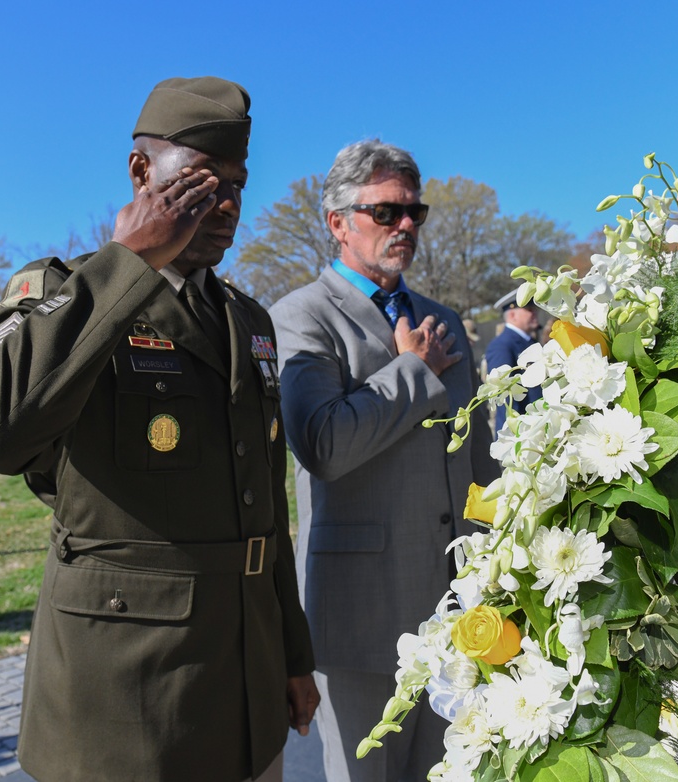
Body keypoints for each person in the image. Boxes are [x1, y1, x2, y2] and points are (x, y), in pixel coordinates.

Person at [0, 76, 318, 782]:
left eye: (238, 183)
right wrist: (129, 264)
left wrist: (293, 658)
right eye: (203, 181)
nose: (228, 202)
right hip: (128, 703)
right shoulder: (65, 291)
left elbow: (265, 515)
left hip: (247, 687)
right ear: (142, 172)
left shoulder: (248, 320)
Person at [269, 139, 499, 782]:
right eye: (386, 212)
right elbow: (323, 446)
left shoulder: (444, 320)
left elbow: (481, 462)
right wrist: (411, 372)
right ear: (337, 222)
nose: (405, 226)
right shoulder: (299, 318)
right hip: (364, 623)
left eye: (414, 213)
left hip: (460, 617)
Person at [484, 291, 543, 435]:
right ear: (512, 315)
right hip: (522, 433)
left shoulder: (529, 342)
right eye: (529, 310)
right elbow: (505, 396)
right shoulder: (502, 345)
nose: (534, 313)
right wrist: (516, 435)